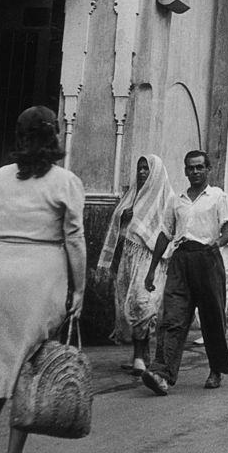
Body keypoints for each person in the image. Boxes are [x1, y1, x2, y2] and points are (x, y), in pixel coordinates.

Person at [0, 105, 86, 453]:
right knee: (30, 362)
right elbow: (75, 240)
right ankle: (12, 450)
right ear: (53, 135)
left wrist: (4, 253)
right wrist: (78, 288)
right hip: (42, 274)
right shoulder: (65, 181)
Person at [140, 150, 228, 395]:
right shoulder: (177, 200)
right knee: (172, 317)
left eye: (199, 167)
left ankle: (216, 370)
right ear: (185, 170)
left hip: (207, 259)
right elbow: (165, 234)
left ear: (207, 169)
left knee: (212, 318)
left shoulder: (217, 196)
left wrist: (218, 243)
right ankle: (162, 373)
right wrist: (152, 269)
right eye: (190, 168)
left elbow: (227, 228)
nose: (195, 172)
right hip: (181, 261)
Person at [97, 155, 175, 375]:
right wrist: (124, 218)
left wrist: (156, 265)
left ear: (156, 173)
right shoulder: (130, 196)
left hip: (151, 260)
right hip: (128, 259)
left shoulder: (167, 199)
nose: (142, 173)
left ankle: (141, 356)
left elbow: (169, 232)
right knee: (127, 306)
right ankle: (140, 354)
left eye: (146, 169)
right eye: (139, 168)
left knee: (143, 304)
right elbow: (118, 231)